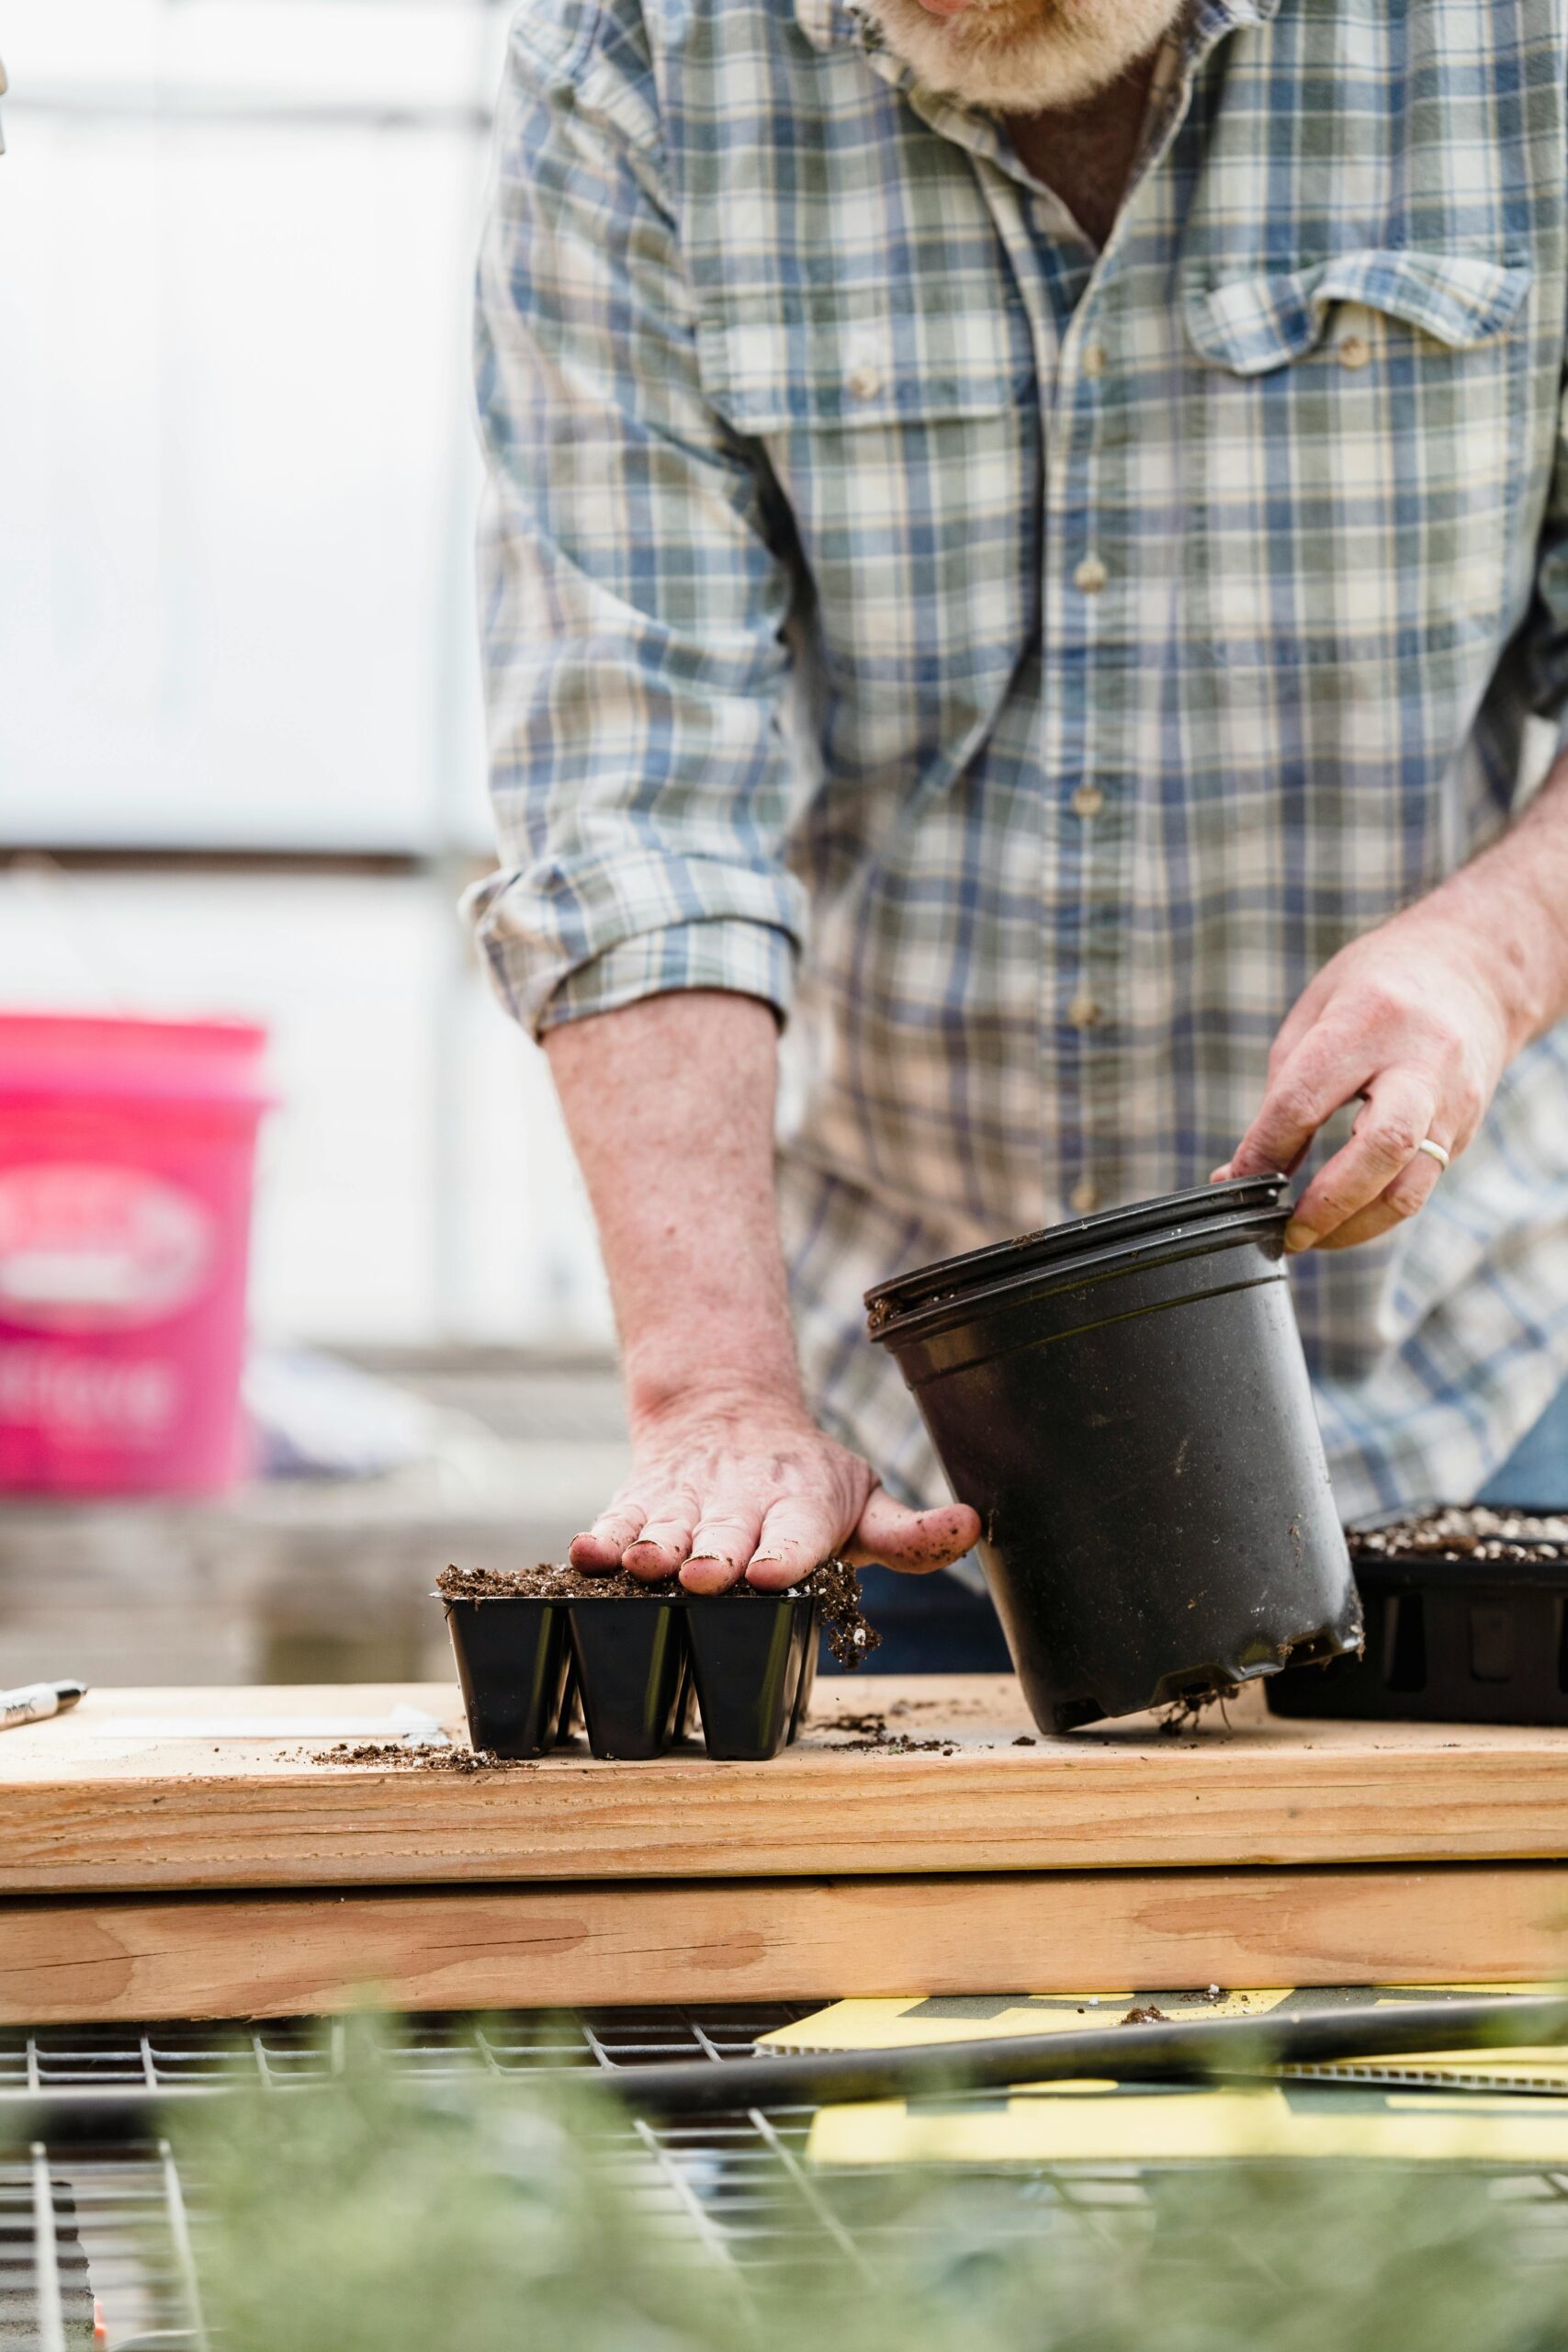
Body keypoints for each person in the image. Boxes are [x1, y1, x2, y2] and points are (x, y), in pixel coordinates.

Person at [466, 0, 1568, 1668]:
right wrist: (717, 1392)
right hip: (901, 1442)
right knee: (885, 1936)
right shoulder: (644, 51)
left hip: (1454, 1381)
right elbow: (634, 795)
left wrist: (1488, 958)